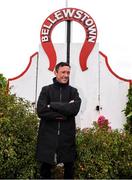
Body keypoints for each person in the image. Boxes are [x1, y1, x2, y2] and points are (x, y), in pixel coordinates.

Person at [36, 62, 81, 179]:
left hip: (67, 136)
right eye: (63, 72)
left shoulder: (73, 92)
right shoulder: (46, 90)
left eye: (68, 73)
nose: (66, 75)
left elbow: (74, 109)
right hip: (48, 136)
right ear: (55, 72)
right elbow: (41, 111)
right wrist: (64, 113)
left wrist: (52, 105)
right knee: (45, 170)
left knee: (69, 170)